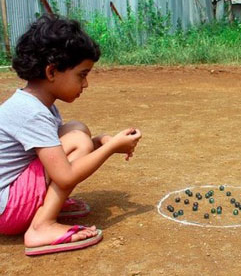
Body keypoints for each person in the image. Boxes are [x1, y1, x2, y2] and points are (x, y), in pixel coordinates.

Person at [0, 15, 142, 255]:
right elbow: (65, 176)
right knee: (77, 138)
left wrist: (98, 142)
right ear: (52, 71)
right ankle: (41, 226)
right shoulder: (32, 112)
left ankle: (47, 208)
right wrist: (110, 147)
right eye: (82, 75)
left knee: (78, 130)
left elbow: (53, 151)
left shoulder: (36, 104)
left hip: (9, 200)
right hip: (7, 209)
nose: (85, 84)